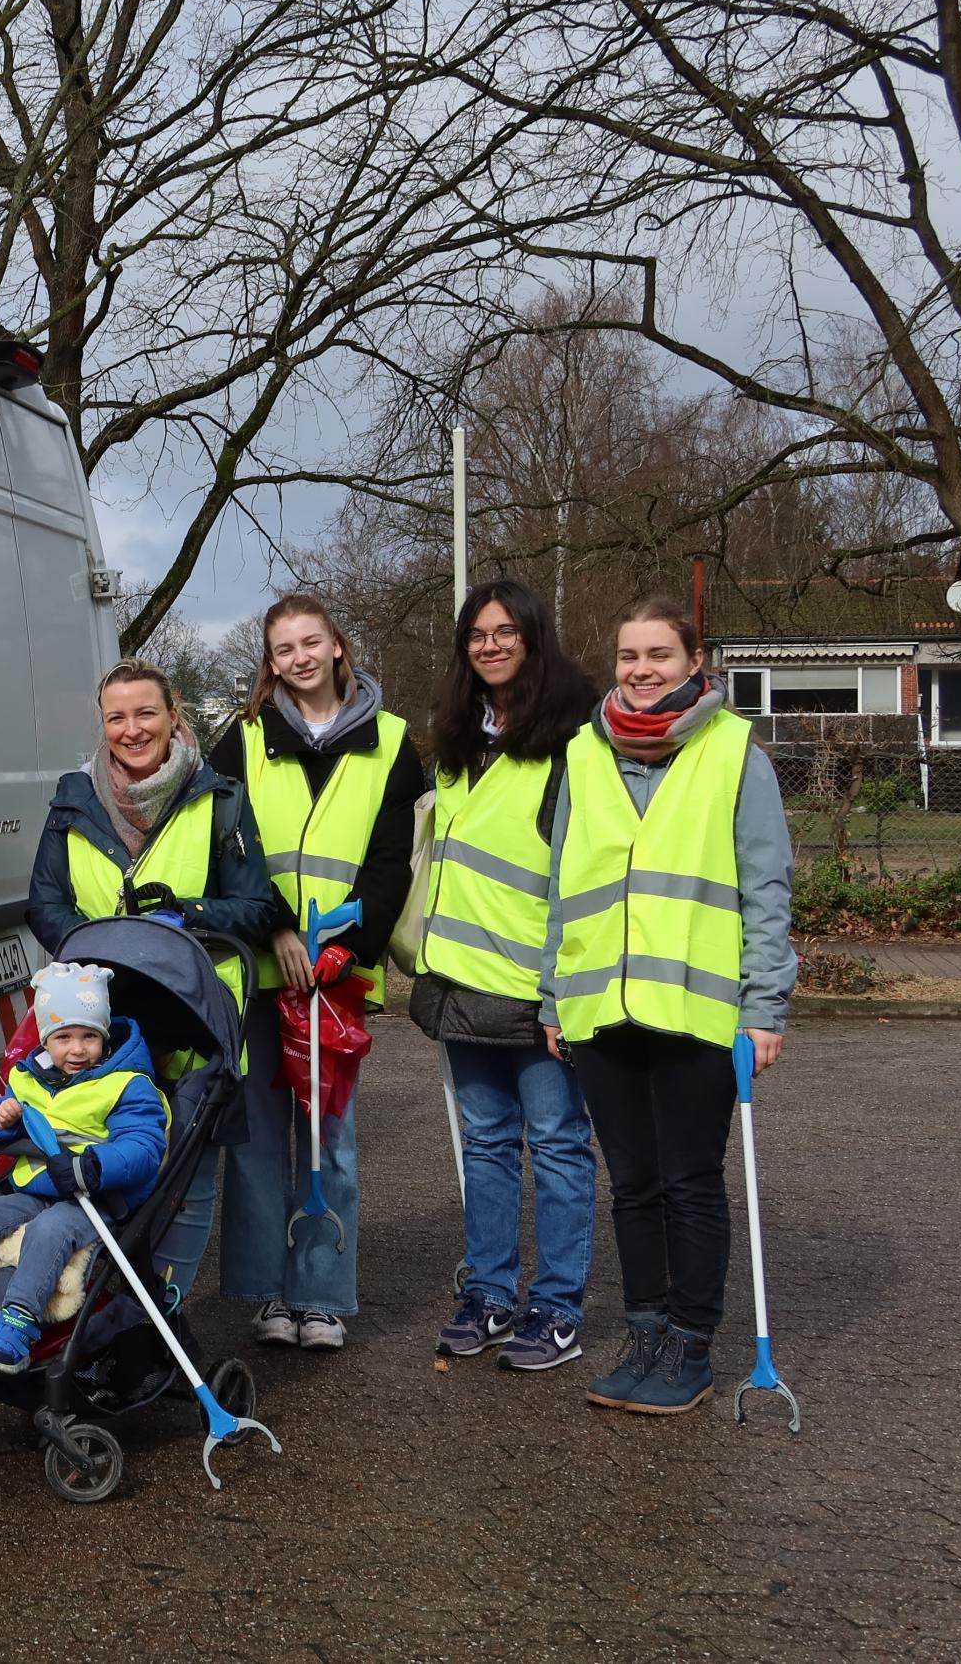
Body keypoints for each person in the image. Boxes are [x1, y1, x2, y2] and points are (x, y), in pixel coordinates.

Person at [542, 596, 794, 1415]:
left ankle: (690, 1342)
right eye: (627, 656)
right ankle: (645, 1333)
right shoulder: (584, 753)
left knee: (689, 1182)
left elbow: (766, 888)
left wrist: (765, 1008)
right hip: (598, 1009)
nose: (641, 670)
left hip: (698, 1009)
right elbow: (561, 886)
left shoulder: (732, 751)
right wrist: (554, 996)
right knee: (633, 1184)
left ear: (693, 663)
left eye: (658, 654)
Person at [26, 658, 277, 1306]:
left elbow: (257, 908)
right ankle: (97, 1316)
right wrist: (102, 951)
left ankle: (161, 1317)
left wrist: (188, 916)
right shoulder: (71, 800)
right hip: (97, 1023)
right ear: (102, 723)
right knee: (99, 1163)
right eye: (117, 717)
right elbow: (45, 904)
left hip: (191, 1020)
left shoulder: (218, 800)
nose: (132, 729)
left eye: (145, 713)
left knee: (186, 1173)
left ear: (173, 714)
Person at [209, 594, 422, 1352]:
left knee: (328, 1135)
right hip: (259, 968)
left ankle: (323, 1297)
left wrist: (346, 945)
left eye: (311, 642)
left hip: (336, 975)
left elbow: (394, 859)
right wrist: (278, 927)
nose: (299, 657)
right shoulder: (238, 739)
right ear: (270, 663)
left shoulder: (392, 742)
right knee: (261, 1138)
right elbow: (224, 847)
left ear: (337, 647)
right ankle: (267, 1291)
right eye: (283, 648)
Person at [412, 581, 600, 1372]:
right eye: (476, 636)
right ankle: (489, 1292)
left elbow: (581, 872)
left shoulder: (573, 741)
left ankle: (556, 1308)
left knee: (558, 1145)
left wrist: (564, 986)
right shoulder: (457, 743)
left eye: (504, 632)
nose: (489, 645)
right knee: (487, 1146)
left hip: (537, 984)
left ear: (533, 637)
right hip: (463, 982)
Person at [0, 962, 166, 1373]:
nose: (77, 1049)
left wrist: (92, 1166)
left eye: (89, 1037)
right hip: (33, 1188)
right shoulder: (30, 1078)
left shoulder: (126, 1084)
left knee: (50, 1230)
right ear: (45, 1040)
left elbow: (144, 1147)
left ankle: (17, 1324)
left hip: (92, 1197)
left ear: (104, 1037)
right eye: (64, 1038)